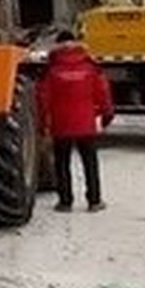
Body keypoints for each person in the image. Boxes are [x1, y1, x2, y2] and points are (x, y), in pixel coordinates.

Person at [36, 30, 113, 212]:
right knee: (90, 163)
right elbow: (103, 92)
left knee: (62, 164)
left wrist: (42, 122)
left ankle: (65, 202)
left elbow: (43, 98)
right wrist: (107, 114)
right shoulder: (90, 67)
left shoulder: (52, 69)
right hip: (86, 123)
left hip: (61, 124)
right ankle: (94, 201)